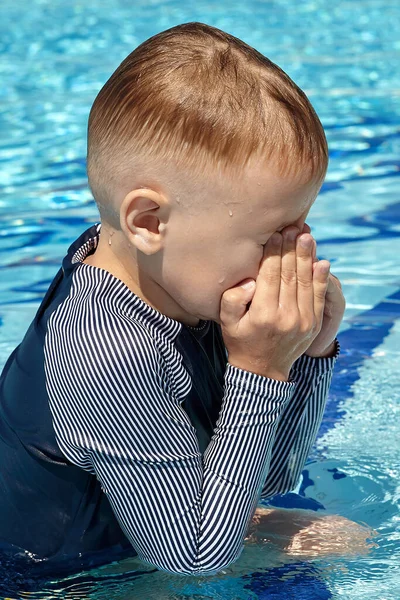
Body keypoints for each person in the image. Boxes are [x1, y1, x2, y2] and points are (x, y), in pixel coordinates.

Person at [0, 21, 355, 580]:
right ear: (148, 222)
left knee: (332, 537)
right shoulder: (105, 350)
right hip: (53, 581)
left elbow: (274, 474)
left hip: (150, 537)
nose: (295, 255)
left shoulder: (178, 275)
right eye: (272, 238)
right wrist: (259, 372)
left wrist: (306, 354)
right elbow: (193, 560)